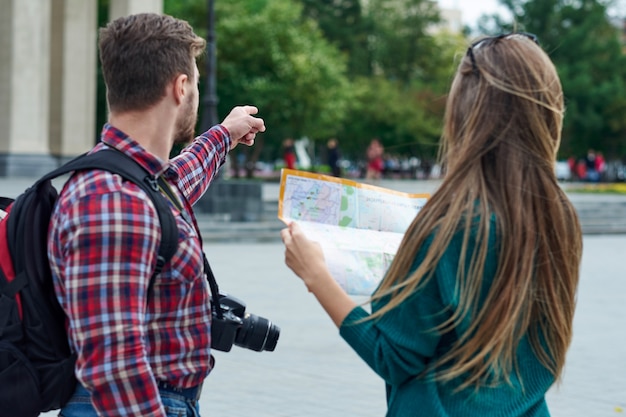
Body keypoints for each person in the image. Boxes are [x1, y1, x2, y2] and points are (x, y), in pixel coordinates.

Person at [281, 32, 582, 416]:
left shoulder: (452, 223)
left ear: (464, 114)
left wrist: (315, 276)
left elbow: (390, 356)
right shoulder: (560, 216)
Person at [48, 13, 265, 417]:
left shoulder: (134, 180)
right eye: (196, 81)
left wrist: (226, 134)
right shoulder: (114, 198)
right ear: (181, 87)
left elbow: (178, 179)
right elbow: (115, 366)